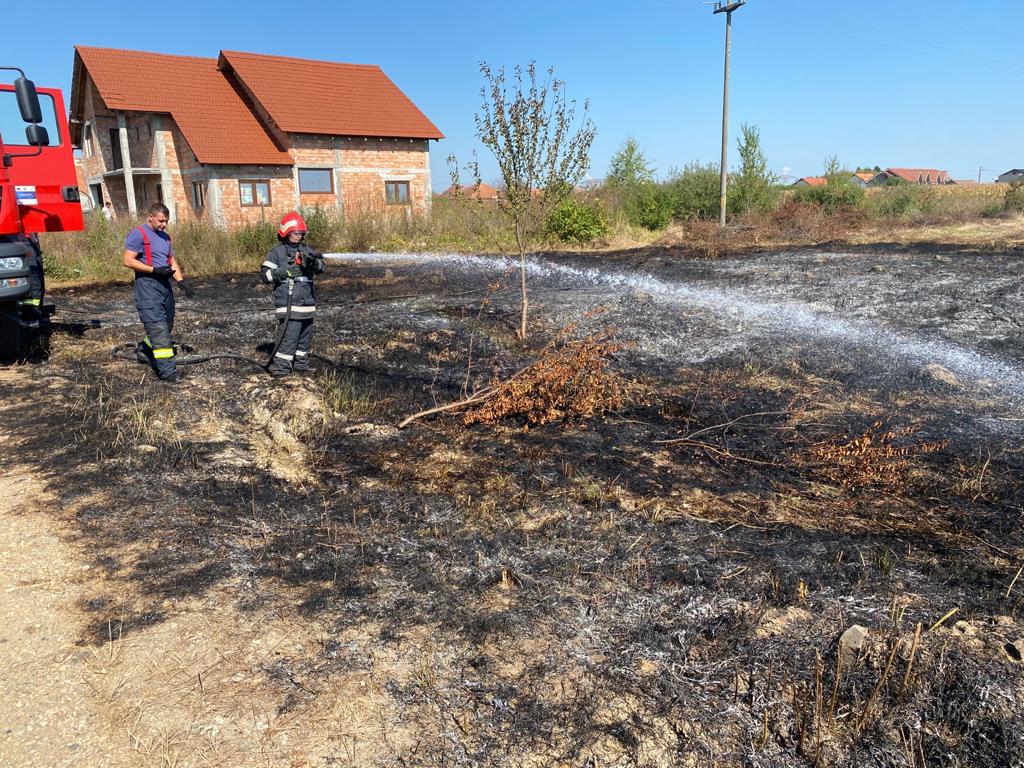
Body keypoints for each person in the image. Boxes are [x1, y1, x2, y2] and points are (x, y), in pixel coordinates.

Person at [122, 202, 193, 383]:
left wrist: (181, 281)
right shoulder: (138, 234)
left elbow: (171, 261)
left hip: (164, 287)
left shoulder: (166, 238)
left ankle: (145, 350)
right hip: (147, 287)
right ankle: (168, 373)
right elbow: (128, 260)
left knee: (166, 326)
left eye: (166, 221)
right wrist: (153, 270)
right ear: (150, 217)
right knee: (159, 330)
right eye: (161, 221)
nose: (163, 225)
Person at [260, 212, 325, 377]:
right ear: (286, 232)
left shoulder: (306, 250)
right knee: (290, 337)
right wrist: (286, 272)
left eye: (301, 233)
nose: (299, 236)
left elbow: (321, 267)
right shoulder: (277, 253)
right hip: (288, 304)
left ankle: (301, 366)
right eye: (296, 233)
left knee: (304, 337)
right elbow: (266, 276)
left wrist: (314, 263)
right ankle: (281, 369)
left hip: (307, 304)